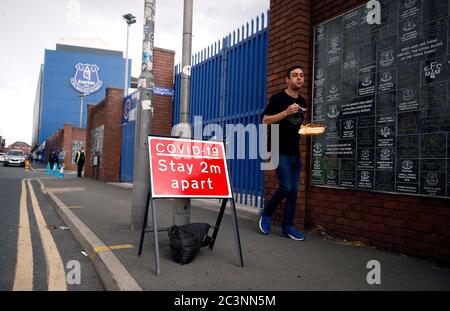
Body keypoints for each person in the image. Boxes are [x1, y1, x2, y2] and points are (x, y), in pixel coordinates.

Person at [259, 65, 307, 241]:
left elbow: (296, 126)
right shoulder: (278, 98)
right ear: (287, 79)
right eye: (295, 75)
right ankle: (266, 214)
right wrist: (286, 112)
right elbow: (266, 120)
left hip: (295, 151)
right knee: (286, 187)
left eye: (301, 75)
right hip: (279, 149)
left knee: (294, 191)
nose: (299, 78)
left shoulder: (303, 102)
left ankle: (288, 227)